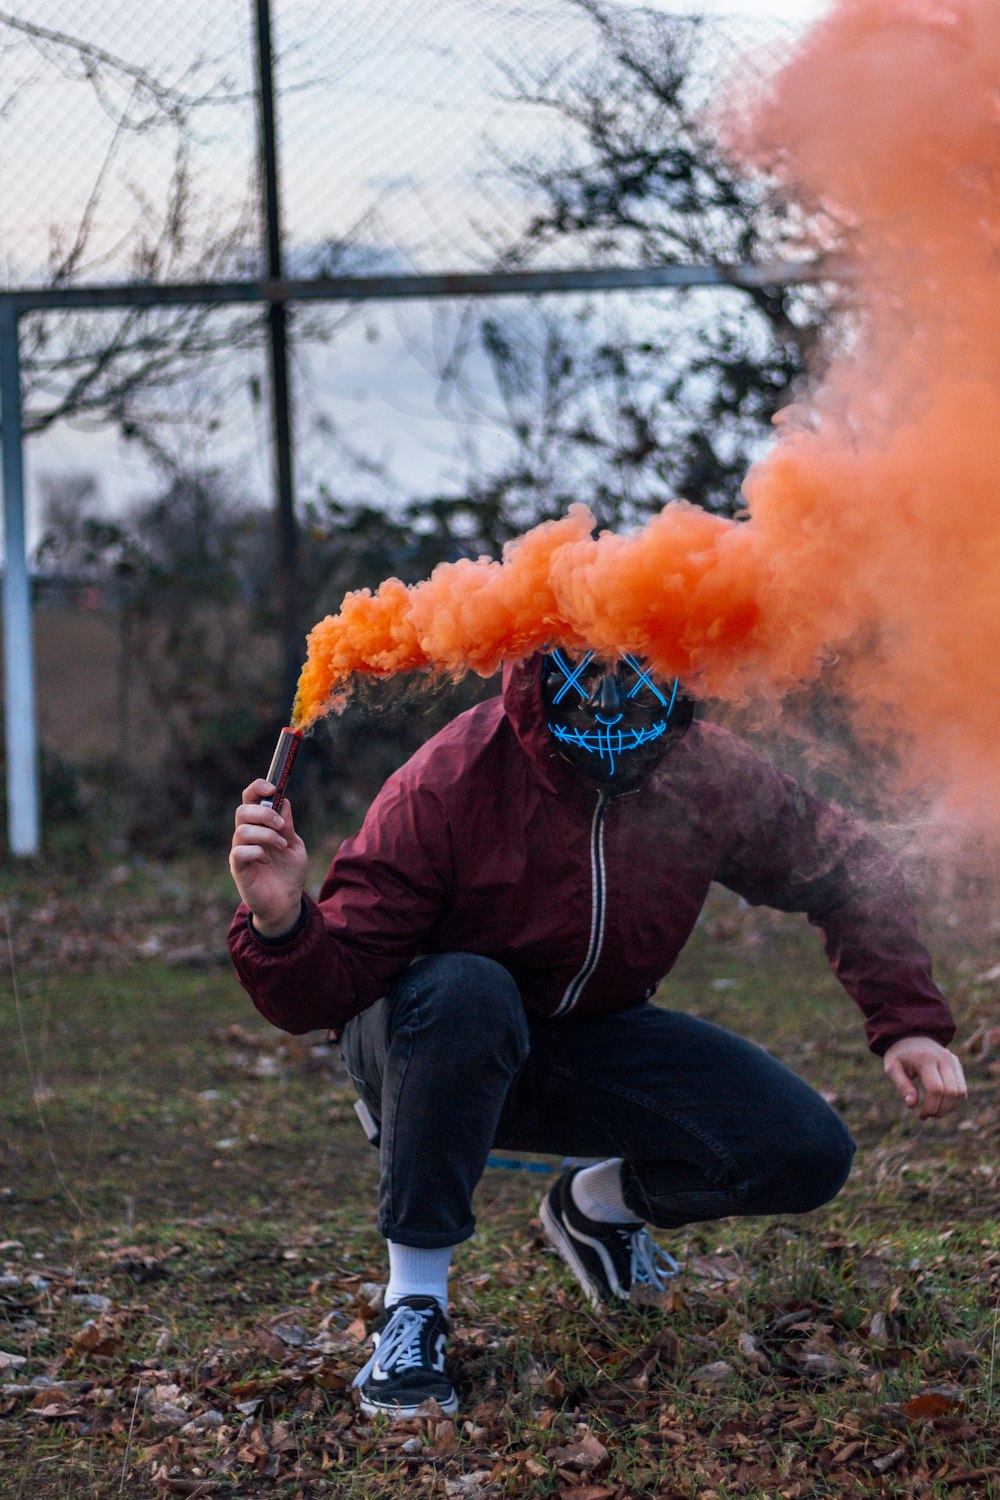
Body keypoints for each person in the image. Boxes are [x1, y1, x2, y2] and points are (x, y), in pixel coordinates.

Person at [228, 649, 966, 1421]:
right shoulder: (451, 777)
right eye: (589, 695)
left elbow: (846, 868)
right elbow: (331, 987)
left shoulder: (705, 771)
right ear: (544, 683)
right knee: (467, 987)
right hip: (433, 1047)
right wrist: (280, 921)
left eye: (637, 694)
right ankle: (413, 1310)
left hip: (590, 1040)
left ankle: (597, 1212)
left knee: (805, 1149)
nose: (612, 716)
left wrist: (907, 1023)